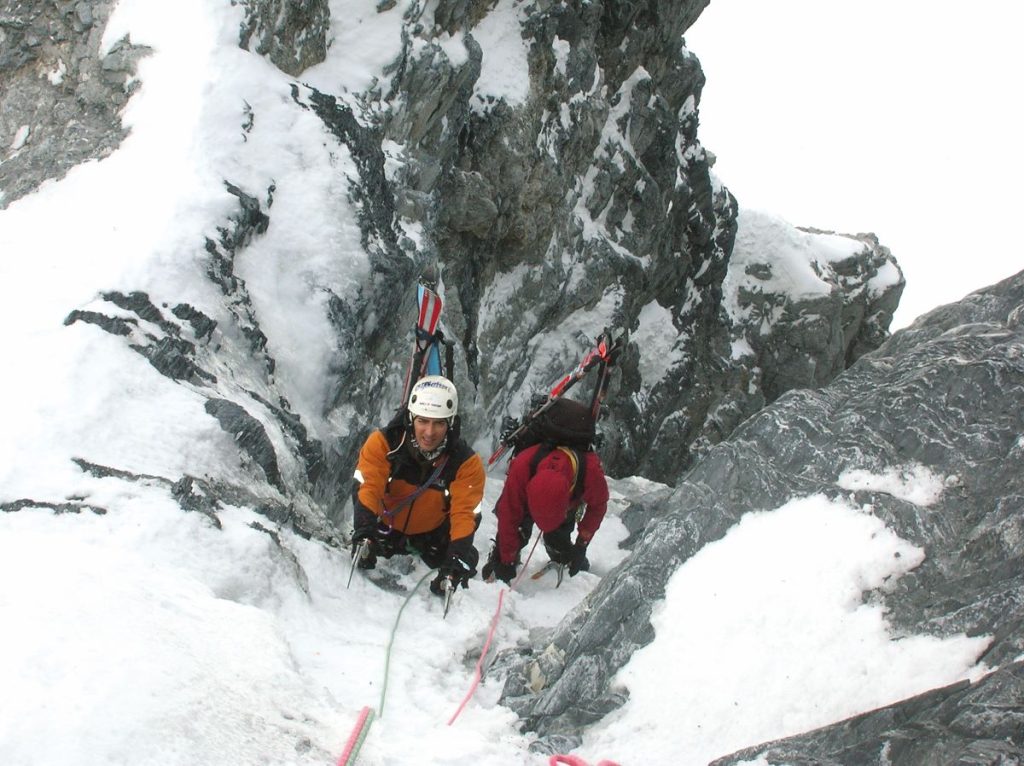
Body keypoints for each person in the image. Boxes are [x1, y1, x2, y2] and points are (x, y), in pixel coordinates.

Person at [351, 375, 485, 595]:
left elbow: (465, 513)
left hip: (432, 535)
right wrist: (364, 529)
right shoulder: (385, 444)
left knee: (466, 558)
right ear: (411, 417)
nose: (429, 433)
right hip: (386, 526)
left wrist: (455, 560)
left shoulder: (465, 463)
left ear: (450, 423)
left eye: (439, 423)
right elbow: (369, 487)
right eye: (423, 421)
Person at [482, 439, 609, 584]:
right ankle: (503, 556)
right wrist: (506, 559)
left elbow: (598, 506)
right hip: (537, 489)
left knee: (558, 541)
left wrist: (581, 544)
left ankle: (560, 550)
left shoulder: (590, 471)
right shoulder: (523, 466)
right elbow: (509, 514)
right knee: (515, 533)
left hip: (567, 500)